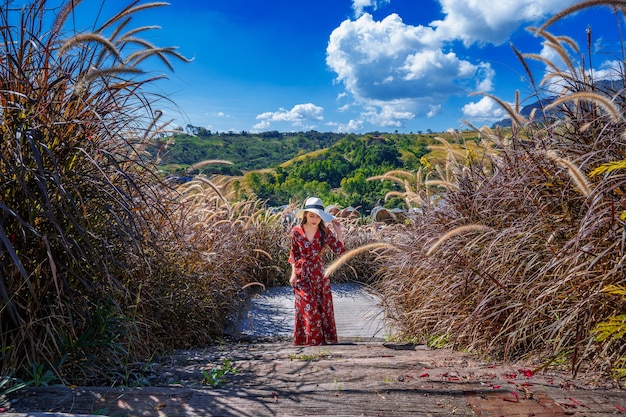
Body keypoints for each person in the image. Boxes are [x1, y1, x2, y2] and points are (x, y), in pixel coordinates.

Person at [288, 196, 345, 346]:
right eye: (311, 215)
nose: (314, 219)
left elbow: (339, 250)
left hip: (320, 276)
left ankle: (316, 347)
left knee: (319, 310)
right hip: (302, 276)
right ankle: (314, 344)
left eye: (318, 217)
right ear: (305, 214)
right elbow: (294, 254)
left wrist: (338, 232)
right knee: (309, 309)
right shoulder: (296, 232)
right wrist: (293, 273)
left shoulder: (324, 233)